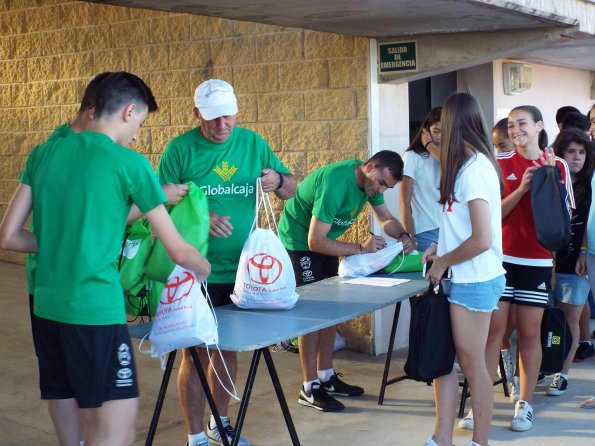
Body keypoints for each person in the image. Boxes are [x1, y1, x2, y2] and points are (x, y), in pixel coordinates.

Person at [0, 71, 211, 446]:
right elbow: (178, 249)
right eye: (141, 123)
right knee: (117, 428)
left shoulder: (44, 152)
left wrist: (64, 245)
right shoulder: (130, 164)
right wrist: (204, 267)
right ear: (129, 112)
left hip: (47, 308)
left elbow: (9, 236)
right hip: (96, 311)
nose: (136, 134)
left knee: (69, 412)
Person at [157, 79, 296, 446]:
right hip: (195, 272)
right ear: (196, 115)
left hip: (244, 274)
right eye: (213, 118)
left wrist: (278, 179)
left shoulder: (253, 143)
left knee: (228, 349)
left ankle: (219, 423)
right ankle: (193, 436)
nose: (222, 125)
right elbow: (158, 207)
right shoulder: (179, 150)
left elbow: (291, 189)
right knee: (196, 353)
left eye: (228, 116)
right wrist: (201, 217)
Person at [277, 150, 414, 412]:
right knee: (312, 315)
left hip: (325, 242)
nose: (381, 190)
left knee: (331, 310)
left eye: (387, 187)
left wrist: (404, 235)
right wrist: (360, 249)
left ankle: (326, 377)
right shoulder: (335, 182)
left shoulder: (371, 184)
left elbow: (385, 219)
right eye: (382, 183)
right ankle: (309, 387)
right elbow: (314, 241)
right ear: (369, 167)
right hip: (299, 242)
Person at [481, 105, 574, 432]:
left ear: (538, 125)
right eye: (511, 124)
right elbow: (491, 217)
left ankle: (525, 404)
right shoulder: (499, 163)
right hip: (501, 261)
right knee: (494, 332)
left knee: (531, 334)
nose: (516, 129)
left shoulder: (557, 165)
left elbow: (562, 222)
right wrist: (521, 189)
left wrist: (549, 180)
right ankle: (482, 404)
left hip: (536, 262)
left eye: (522, 123)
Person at [421, 92, 505, 446]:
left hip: (474, 280)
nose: (438, 135)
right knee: (444, 363)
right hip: (460, 278)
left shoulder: (475, 170)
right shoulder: (463, 167)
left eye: (444, 128)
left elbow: (482, 239)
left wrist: (443, 261)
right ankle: (442, 438)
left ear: (457, 126)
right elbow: (464, 228)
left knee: (473, 369)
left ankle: (479, 442)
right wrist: (440, 246)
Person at [548, 128, 594, 395]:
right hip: (545, 262)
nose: (576, 157)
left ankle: (561, 373)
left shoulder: (591, 185)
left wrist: (584, 252)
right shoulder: (552, 181)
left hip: (577, 264)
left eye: (581, 152)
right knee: (541, 322)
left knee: (569, 322)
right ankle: (544, 367)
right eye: (570, 152)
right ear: (559, 154)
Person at [400, 107, 442, 251]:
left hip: (452, 230)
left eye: (446, 131)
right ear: (426, 131)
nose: (441, 136)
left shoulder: (453, 157)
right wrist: (410, 237)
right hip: (426, 231)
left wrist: (431, 147)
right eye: (436, 131)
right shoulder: (412, 157)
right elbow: (404, 202)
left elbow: (451, 163)